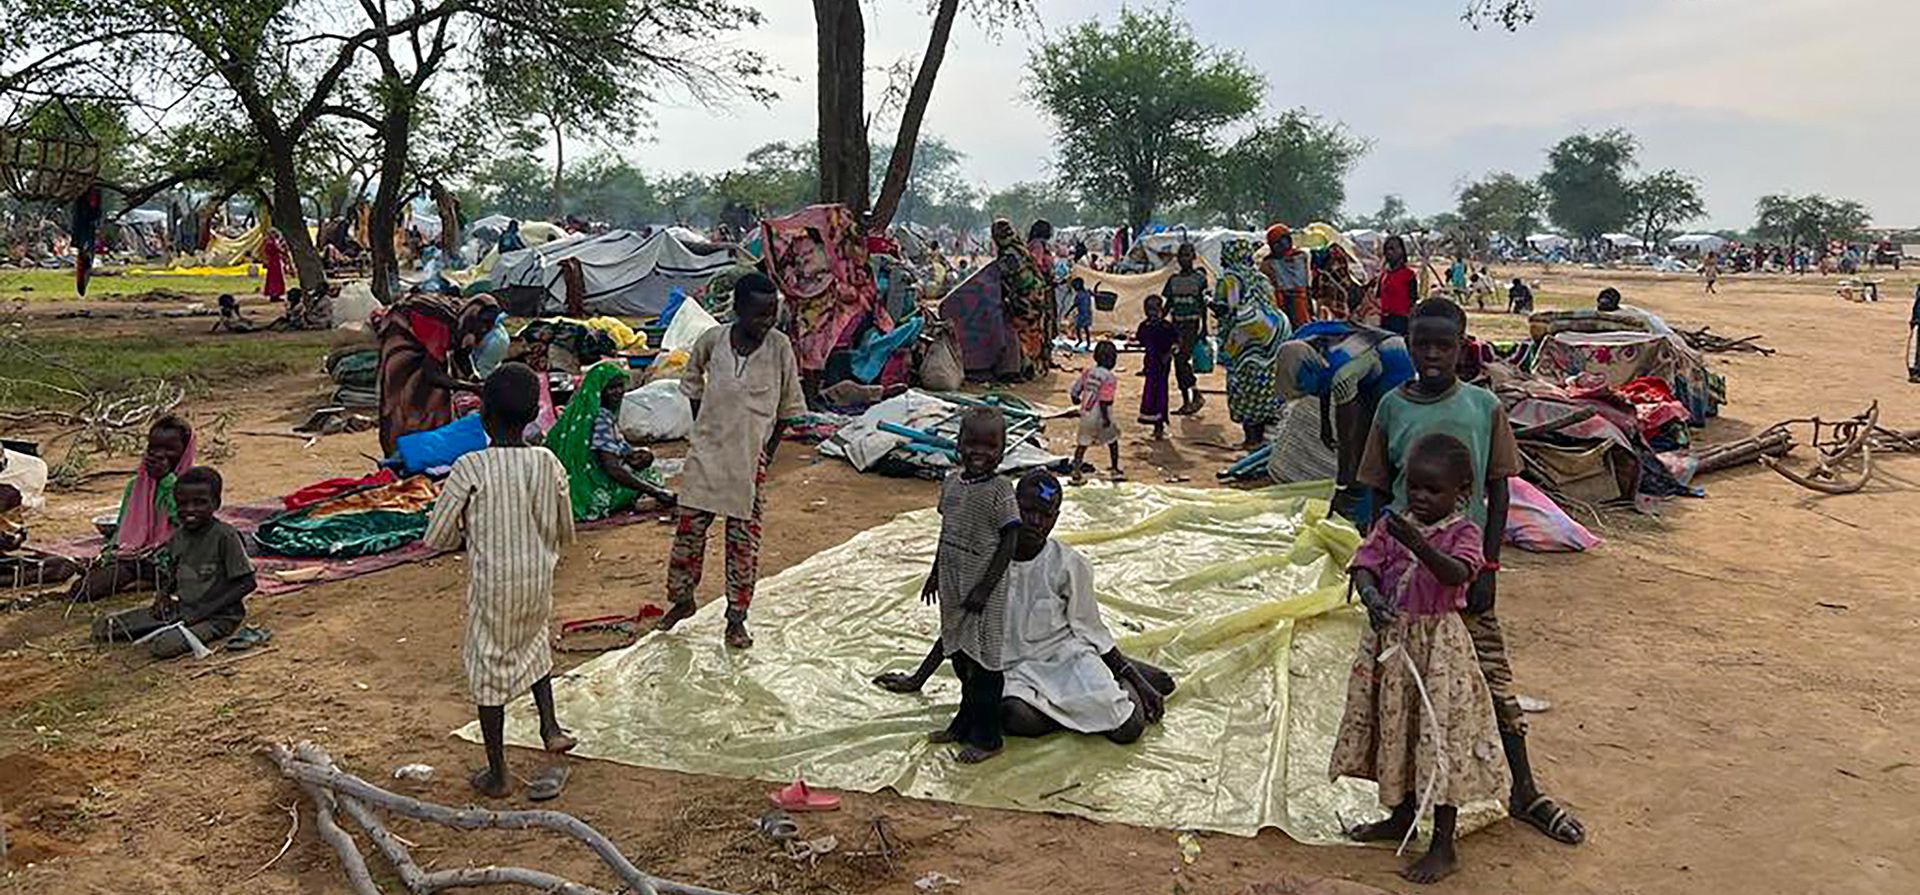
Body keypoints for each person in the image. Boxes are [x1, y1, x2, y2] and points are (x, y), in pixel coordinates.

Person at [1356, 298, 1587, 848]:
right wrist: (1374, 567)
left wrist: (1488, 565)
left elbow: (1500, 486)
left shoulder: (1483, 407)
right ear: (1407, 345)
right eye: (1421, 344)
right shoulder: (1391, 407)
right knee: (1405, 695)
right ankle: (1402, 806)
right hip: (1406, 585)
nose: (1432, 355)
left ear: (1463, 346)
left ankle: (1524, 790)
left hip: (1460, 576)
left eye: (1444, 345)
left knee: (1490, 682)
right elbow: (1376, 491)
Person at [873, 469, 1174, 745]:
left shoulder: (1069, 565)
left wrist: (1134, 678)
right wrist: (917, 678)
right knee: (1011, 716)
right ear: (1011, 507)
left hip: (1064, 660)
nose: (1035, 521)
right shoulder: (985, 557)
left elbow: (1089, 627)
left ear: (1055, 517)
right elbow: (958, 624)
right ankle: (1079, 706)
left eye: (1045, 514)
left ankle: (1122, 678)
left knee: (1128, 729)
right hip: (1011, 668)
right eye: (1026, 510)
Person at [1331, 433, 1511, 884]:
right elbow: (1365, 562)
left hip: (1437, 653)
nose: (1422, 498)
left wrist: (1420, 545)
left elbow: (1457, 573)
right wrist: (1371, 595)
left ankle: (1443, 844)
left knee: (1439, 736)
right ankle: (1400, 813)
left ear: (1461, 494)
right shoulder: (1394, 523)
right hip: (1394, 647)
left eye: (1434, 490)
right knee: (1399, 729)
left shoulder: (1464, 533)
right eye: (1415, 487)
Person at [422, 363, 578, 800]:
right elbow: (566, 527)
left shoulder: (470, 467)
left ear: (483, 415)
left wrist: (465, 530)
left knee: (489, 666)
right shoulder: (548, 462)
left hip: (495, 585)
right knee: (534, 644)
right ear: (533, 416)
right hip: (537, 579)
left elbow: (437, 536)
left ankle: (498, 773)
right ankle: (550, 728)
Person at [656, 273, 806, 649]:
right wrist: (704, 425)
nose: (766, 322)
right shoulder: (712, 341)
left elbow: (788, 408)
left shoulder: (779, 348)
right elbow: (692, 382)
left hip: (748, 459)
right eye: (758, 315)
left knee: (743, 544)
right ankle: (682, 600)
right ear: (738, 311)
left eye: (771, 313)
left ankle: (736, 619)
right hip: (707, 453)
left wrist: (766, 456)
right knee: (688, 536)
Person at [917, 408, 1023, 763]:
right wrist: (935, 572)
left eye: (990, 445)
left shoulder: (1000, 491)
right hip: (953, 584)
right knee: (960, 658)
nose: (980, 452)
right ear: (958, 444)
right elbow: (947, 532)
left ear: (1003, 449)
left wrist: (984, 588)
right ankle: (963, 723)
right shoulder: (951, 483)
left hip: (984, 594)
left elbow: (1010, 540)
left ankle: (988, 738)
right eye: (972, 443)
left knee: (985, 666)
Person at [91, 466, 255, 659]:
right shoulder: (179, 536)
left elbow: (247, 583)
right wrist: (163, 596)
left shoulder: (225, 536)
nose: (190, 510)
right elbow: (174, 572)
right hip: (183, 609)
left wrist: (203, 611)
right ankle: (167, 625)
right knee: (105, 627)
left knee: (163, 646)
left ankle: (171, 630)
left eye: (200, 503)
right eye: (182, 504)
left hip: (218, 616)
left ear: (216, 503)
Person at [70, 416, 195, 602]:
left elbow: (186, 523)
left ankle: (145, 580)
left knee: (85, 591)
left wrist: (167, 481)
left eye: (170, 449)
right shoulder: (136, 486)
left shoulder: (194, 483)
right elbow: (123, 528)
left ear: (184, 451)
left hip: (173, 560)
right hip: (138, 555)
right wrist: (109, 554)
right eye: (154, 448)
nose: (160, 454)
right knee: (81, 580)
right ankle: (138, 579)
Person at [547, 363, 676, 521]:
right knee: (648, 478)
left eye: (620, 386)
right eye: (611, 388)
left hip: (563, 483)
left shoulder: (578, 412)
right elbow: (612, 468)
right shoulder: (601, 419)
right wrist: (655, 492)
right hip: (587, 488)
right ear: (599, 391)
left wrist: (630, 453)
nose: (618, 392)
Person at [1215, 237, 1290, 449]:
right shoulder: (1261, 278)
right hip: (1276, 333)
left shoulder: (1230, 279)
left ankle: (1251, 439)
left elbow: (1228, 309)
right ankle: (1266, 439)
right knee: (1266, 384)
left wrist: (1214, 307)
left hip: (1248, 339)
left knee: (1245, 385)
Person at [992, 219, 1050, 380]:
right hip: (1037, 294)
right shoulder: (1020, 247)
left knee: (1022, 332)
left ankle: (1026, 369)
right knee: (1035, 331)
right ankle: (1039, 367)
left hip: (1026, 297)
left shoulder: (1008, 253)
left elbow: (1008, 278)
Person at [1162, 243, 1211, 415]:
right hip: (1177, 325)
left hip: (1192, 325)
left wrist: (1205, 327)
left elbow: (1203, 305)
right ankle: (1188, 400)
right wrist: (1160, 320)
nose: (1184, 259)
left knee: (1181, 360)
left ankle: (1195, 395)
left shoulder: (1200, 279)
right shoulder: (1173, 280)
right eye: (1181, 255)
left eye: (1188, 255)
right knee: (1179, 362)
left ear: (1194, 256)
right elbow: (1169, 303)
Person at [1069, 341, 1123, 484]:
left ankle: (1076, 471)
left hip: (1086, 414)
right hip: (1102, 415)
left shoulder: (1088, 372)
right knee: (1112, 441)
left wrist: (1075, 398)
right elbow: (1105, 400)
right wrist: (1106, 419)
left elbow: (1076, 389)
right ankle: (1115, 468)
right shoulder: (1109, 378)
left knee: (1082, 444)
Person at [1134, 295, 1179, 440]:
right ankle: (1158, 424)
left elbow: (1175, 343)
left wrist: (1168, 353)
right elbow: (1175, 343)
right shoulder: (1161, 326)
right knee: (1156, 392)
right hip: (1156, 364)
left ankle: (1158, 424)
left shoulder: (1149, 326)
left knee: (1156, 392)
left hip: (1156, 363)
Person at [1261, 224, 1314, 328]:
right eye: (1278, 243)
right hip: (1280, 301)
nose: (1283, 245)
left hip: (1301, 298)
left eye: (1284, 241)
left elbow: (1307, 280)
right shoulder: (1268, 263)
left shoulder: (1301, 256)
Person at [1377, 236, 1418, 336]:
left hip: (1401, 323)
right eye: (1386, 249)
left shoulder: (1408, 275)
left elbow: (1412, 302)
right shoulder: (1383, 275)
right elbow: (1378, 297)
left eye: (1392, 249)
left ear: (1402, 251)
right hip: (1383, 321)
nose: (1389, 253)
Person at [261, 228, 287, 304]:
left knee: (275, 278)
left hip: (274, 261)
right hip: (274, 262)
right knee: (275, 278)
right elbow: (277, 249)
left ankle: (275, 294)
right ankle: (274, 293)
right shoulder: (270, 242)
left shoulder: (268, 241)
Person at [1069, 277, 1095, 349]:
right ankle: (1085, 342)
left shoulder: (1079, 295)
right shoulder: (1087, 292)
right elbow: (1095, 295)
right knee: (1083, 329)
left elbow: (1075, 305)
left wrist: (1068, 312)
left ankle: (1083, 341)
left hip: (1083, 314)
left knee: (1080, 328)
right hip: (1085, 313)